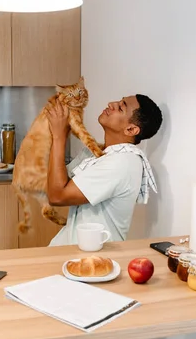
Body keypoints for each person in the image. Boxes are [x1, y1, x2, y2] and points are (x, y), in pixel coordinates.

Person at [45, 94, 163, 246]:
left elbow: (57, 196)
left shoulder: (121, 163)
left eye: (121, 107)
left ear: (131, 129)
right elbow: (58, 182)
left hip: (95, 255)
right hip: (75, 247)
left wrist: (59, 136)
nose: (111, 103)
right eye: (118, 101)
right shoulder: (102, 154)